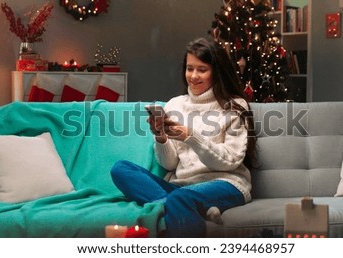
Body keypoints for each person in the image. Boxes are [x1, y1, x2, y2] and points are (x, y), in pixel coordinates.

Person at [110, 37, 257, 237]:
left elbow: (230, 161)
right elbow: (170, 165)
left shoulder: (235, 106)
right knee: (120, 169)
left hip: (226, 183)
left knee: (180, 198)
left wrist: (190, 136)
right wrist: (161, 136)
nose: (193, 76)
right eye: (190, 68)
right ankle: (194, 208)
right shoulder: (174, 104)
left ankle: (179, 206)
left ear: (217, 71)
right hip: (181, 187)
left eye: (202, 69)